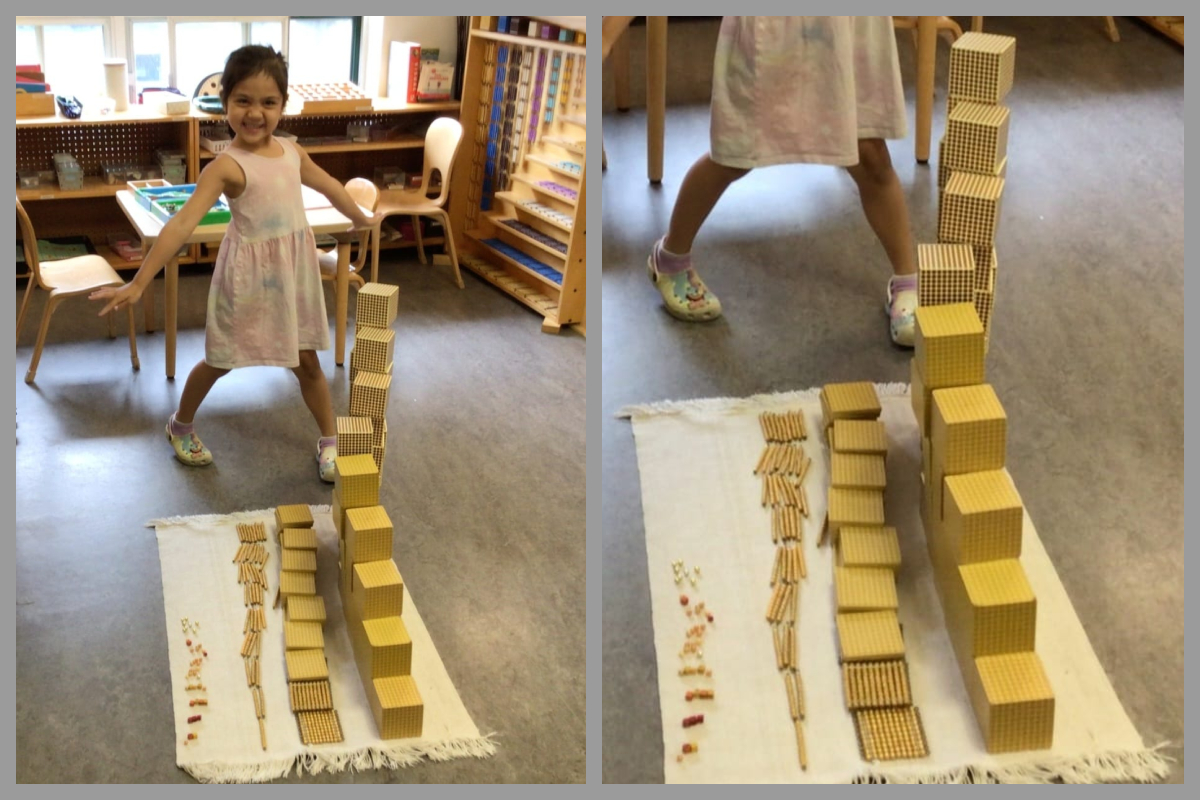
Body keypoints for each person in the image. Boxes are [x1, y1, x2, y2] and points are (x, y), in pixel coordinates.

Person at [91, 45, 380, 480]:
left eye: (268, 102)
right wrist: (139, 280)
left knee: (306, 361)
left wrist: (362, 218)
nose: (255, 113)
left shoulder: (292, 152)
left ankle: (329, 439)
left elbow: (330, 186)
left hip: (291, 275)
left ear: (283, 105)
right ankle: (179, 424)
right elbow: (182, 224)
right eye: (243, 100)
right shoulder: (226, 166)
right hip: (246, 278)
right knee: (221, 358)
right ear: (224, 102)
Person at [647, 16, 919, 346]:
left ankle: (907, 281)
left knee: (870, 152)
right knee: (735, 154)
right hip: (774, 27)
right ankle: (670, 257)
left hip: (848, 25)